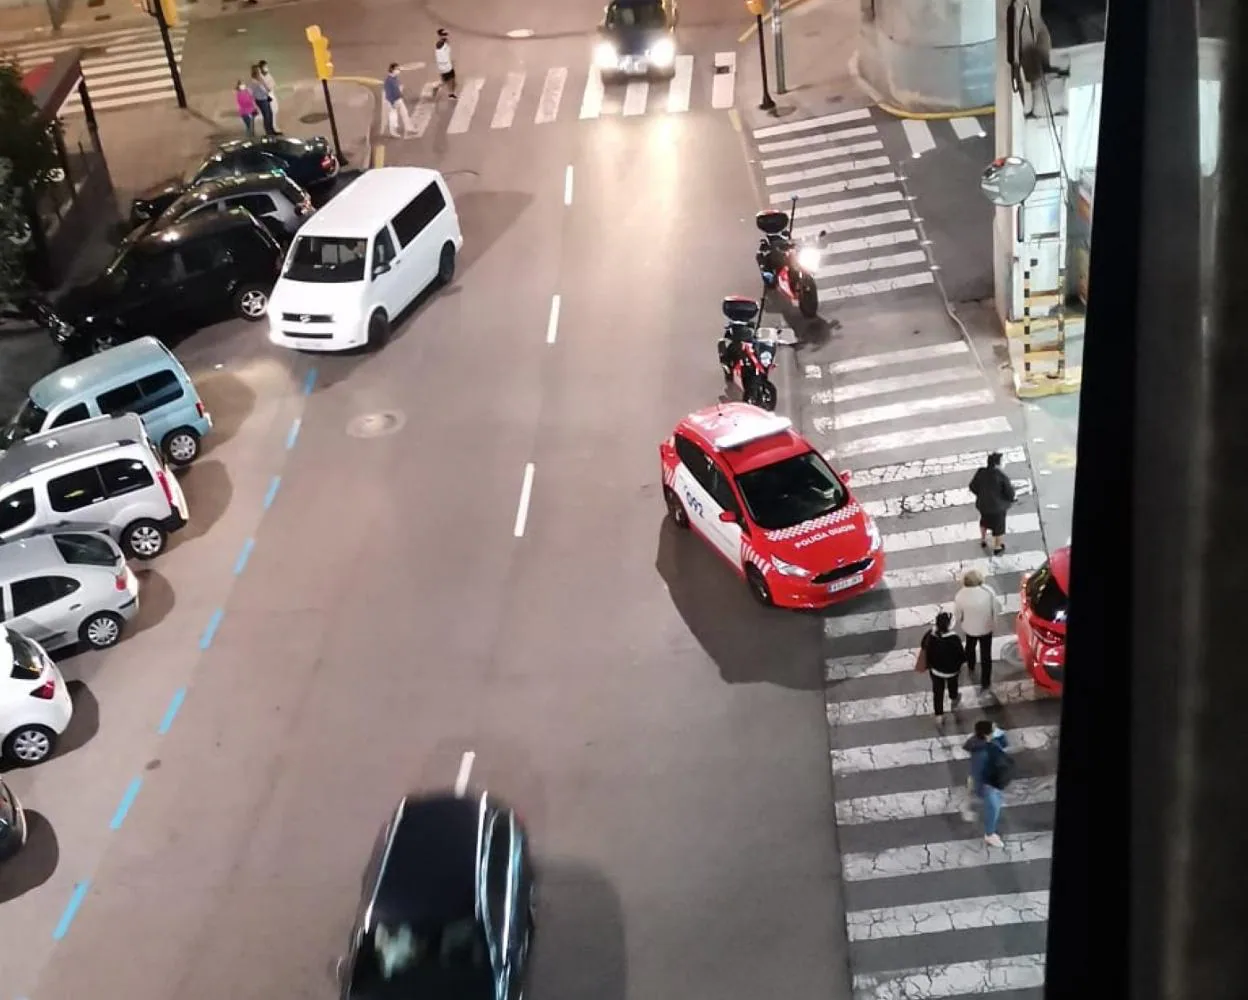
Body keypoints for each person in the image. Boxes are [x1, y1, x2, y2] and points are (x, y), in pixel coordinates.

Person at [963, 719, 1013, 847]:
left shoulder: (989, 741)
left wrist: (1000, 734)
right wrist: (985, 787)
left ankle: (989, 830)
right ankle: (989, 834)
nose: (996, 728)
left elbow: (1005, 744)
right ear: (986, 734)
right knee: (993, 807)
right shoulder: (981, 752)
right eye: (993, 728)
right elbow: (977, 772)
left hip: (993, 781)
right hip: (988, 784)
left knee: (996, 804)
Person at [954, 568, 1002, 691]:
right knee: (986, 654)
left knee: (970, 646)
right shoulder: (988, 591)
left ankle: (971, 665)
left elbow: (958, 616)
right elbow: (996, 608)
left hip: (970, 628)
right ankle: (985, 681)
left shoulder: (960, 596)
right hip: (986, 628)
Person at [916, 611, 965, 719]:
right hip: (952, 671)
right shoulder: (954, 638)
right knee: (953, 685)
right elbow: (961, 655)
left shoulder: (930, 635)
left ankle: (939, 715)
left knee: (938, 692)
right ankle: (954, 698)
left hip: (936, 671)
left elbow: (923, 646)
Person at [969, 451, 1016, 554]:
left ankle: (983, 539)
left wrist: (981, 495)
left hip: (983, 505)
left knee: (984, 521)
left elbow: (972, 486)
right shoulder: (1002, 476)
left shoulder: (981, 472)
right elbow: (1010, 493)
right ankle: (997, 547)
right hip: (997, 508)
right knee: (999, 527)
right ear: (997, 464)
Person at [383, 63, 418, 138]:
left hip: (399, 100)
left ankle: (409, 128)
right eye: (397, 69)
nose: (399, 70)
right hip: (393, 102)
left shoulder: (395, 78)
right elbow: (388, 93)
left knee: (405, 114)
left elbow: (397, 88)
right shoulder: (388, 81)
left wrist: (401, 90)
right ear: (392, 70)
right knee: (393, 118)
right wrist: (392, 103)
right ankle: (393, 132)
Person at [249, 66, 275, 136]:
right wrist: (263, 83)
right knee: (267, 116)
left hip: (264, 99)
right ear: (256, 72)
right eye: (259, 71)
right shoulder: (255, 82)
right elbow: (267, 90)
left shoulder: (258, 80)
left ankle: (271, 130)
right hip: (262, 100)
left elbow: (267, 89)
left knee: (270, 114)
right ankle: (269, 133)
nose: (260, 73)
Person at [434, 28, 458, 99]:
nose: (445, 36)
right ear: (440, 36)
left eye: (446, 34)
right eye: (443, 35)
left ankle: (451, 94)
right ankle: (436, 87)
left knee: (452, 80)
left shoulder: (446, 43)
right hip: (444, 67)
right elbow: (439, 46)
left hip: (448, 65)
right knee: (446, 81)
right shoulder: (439, 44)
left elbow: (446, 53)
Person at [257, 60, 279, 132]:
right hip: (267, 96)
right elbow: (267, 88)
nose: (267, 68)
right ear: (261, 68)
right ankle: (271, 129)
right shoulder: (260, 77)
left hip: (271, 94)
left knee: (274, 111)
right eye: (265, 67)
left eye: (267, 66)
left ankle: (273, 127)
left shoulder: (267, 74)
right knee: (270, 113)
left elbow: (273, 83)